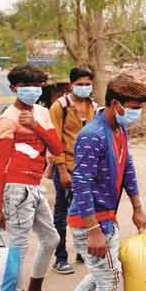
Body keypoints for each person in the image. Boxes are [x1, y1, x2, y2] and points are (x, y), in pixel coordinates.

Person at [36, 74, 146, 291]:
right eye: (134, 106)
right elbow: (81, 183)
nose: (137, 112)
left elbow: (129, 170)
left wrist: (137, 206)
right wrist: (92, 230)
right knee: (110, 279)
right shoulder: (92, 135)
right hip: (91, 223)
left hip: (106, 219)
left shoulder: (118, 130)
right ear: (116, 104)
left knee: (98, 277)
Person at [0, 64, 64, 291]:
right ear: (13, 89)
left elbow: (57, 146)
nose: (33, 91)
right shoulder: (8, 118)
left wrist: (36, 127)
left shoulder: (41, 113)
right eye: (26, 87)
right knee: (16, 250)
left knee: (51, 238)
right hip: (15, 188)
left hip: (35, 185)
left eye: (37, 87)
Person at [49, 67, 99, 274]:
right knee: (62, 212)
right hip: (66, 167)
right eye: (80, 84)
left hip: (88, 170)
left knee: (85, 210)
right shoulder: (59, 107)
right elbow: (54, 141)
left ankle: (82, 250)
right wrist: (61, 170)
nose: (84, 87)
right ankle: (60, 257)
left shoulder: (95, 108)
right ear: (71, 85)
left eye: (88, 84)